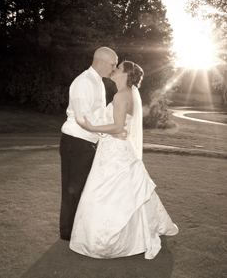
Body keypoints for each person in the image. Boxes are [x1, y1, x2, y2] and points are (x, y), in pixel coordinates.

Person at [69, 61, 178, 259]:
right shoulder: (129, 94)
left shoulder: (121, 96)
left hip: (114, 152)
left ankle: (106, 239)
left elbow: (118, 127)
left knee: (104, 193)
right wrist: (108, 129)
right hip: (117, 148)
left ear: (126, 74)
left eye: (117, 68)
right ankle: (137, 233)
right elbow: (119, 126)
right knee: (124, 191)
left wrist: (92, 128)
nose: (114, 69)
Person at [59, 47, 125, 241]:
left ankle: (78, 229)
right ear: (101, 62)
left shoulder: (99, 83)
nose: (114, 69)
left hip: (88, 142)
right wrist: (111, 131)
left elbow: (99, 116)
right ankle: (67, 234)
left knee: (84, 189)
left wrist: (110, 131)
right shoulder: (83, 82)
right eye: (113, 64)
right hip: (75, 142)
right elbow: (83, 118)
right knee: (72, 190)